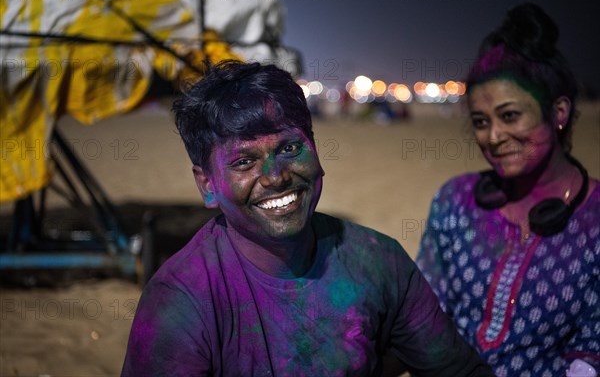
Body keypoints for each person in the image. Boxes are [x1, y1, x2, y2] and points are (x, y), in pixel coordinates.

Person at [122, 60, 493, 376]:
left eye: (289, 147)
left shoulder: (378, 262)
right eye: (243, 161)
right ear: (207, 185)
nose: (276, 176)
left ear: (314, 148)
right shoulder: (180, 304)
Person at [416, 3, 600, 377]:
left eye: (510, 115)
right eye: (481, 121)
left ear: (559, 113)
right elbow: (425, 316)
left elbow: (589, 352)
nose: (494, 136)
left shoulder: (596, 220)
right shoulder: (455, 200)